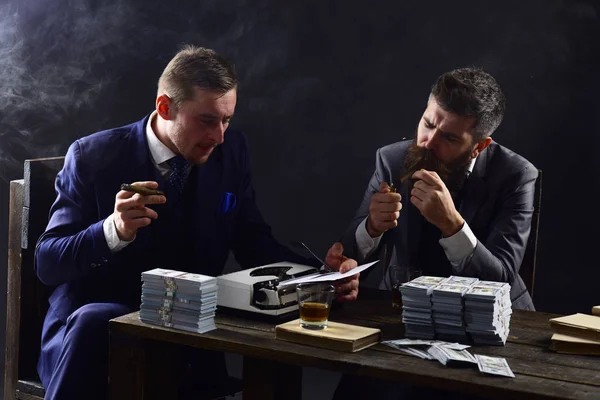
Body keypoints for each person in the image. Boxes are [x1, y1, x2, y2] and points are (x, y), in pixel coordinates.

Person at [34, 44, 359, 400]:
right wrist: (113, 230)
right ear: (164, 107)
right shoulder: (92, 156)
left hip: (187, 340)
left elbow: (254, 242)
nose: (218, 136)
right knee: (96, 320)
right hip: (93, 342)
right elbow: (48, 263)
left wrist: (322, 278)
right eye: (207, 120)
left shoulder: (231, 151)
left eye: (227, 120)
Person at [341, 67, 537, 310]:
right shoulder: (392, 159)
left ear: (479, 146)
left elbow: (500, 279)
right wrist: (372, 227)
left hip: (492, 320)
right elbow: (344, 255)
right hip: (403, 310)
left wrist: (452, 224)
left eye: (450, 138)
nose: (429, 143)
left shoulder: (516, 175)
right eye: (428, 124)